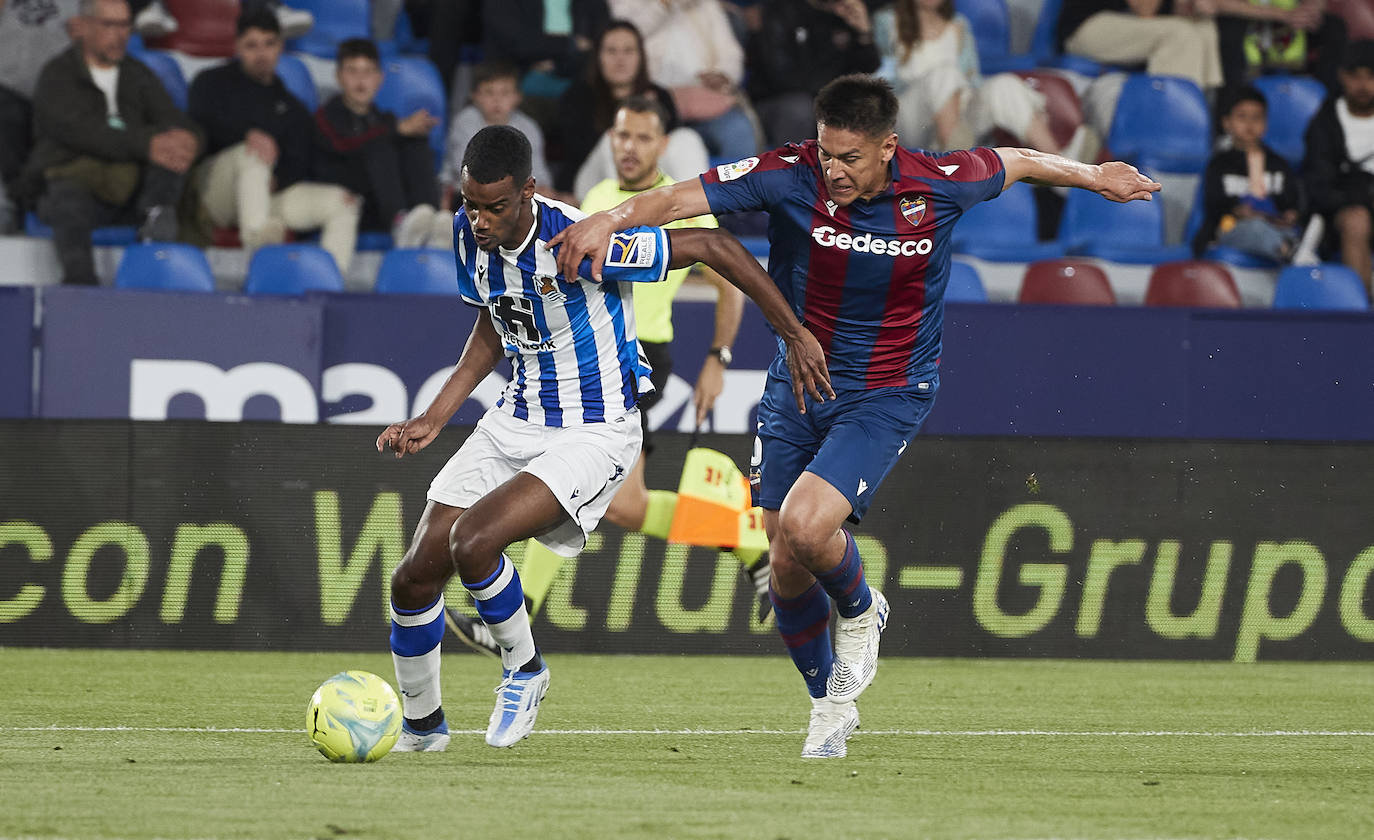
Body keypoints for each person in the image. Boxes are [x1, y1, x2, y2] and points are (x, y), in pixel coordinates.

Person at [548, 73, 1159, 758]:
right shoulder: (786, 173)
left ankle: (863, 609)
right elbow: (675, 197)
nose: (833, 171)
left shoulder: (941, 182)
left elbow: (1017, 161)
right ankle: (827, 707)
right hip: (798, 385)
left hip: (889, 391)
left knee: (809, 528)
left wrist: (1094, 175)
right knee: (783, 560)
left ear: (888, 148)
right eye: (826, 153)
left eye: (850, 158)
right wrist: (606, 218)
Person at [377, 124, 828, 752]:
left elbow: (715, 247)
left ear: (529, 192)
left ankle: (525, 669)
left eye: (494, 207)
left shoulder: (581, 240)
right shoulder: (466, 231)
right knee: (412, 579)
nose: (479, 220)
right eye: (470, 204)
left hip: (595, 429)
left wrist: (795, 334)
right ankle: (424, 729)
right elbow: (492, 318)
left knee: (475, 542)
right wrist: (435, 415)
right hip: (517, 418)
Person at [444, 96, 771, 659]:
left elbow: (727, 278)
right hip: (573, 364)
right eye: (622, 136)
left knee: (570, 487)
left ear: (662, 144)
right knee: (627, 506)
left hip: (634, 360)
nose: (629, 148)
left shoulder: (677, 203)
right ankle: (742, 537)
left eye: (643, 138)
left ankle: (515, 614)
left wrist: (718, 356)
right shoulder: (597, 201)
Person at [26, 0, 201, 285]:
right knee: (68, 199)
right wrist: (147, 144)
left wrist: (189, 140)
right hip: (75, 185)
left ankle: (157, 259)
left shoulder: (139, 75)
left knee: (171, 157)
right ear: (84, 27)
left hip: (133, 190)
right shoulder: (57, 74)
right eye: (109, 25)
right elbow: (82, 132)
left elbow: (173, 120)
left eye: (125, 25)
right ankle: (81, 289)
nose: (120, 34)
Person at [188, 8, 360, 274]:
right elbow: (200, 124)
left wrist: (276, 179)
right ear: (237, 47)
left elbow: (299, 161)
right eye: (252, 45)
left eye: (269, 44)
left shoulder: (292, 107)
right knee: (254, 152)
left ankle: (329, 283)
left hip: (266, 194)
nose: (261, 54)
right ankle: (261, 252)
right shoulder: (210, 83)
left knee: (343, 202)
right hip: (213, 193)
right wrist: (246, 135)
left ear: (280, 47)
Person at [875, 0, 1075, 155]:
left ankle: (1060, 166)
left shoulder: (959, 24)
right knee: (944, 75)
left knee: (1004, 85)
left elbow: (972, 79)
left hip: (960, 117)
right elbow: (881, 82)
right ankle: (950, 168)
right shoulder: (886, 22)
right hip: (910, 116)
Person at [313, 38, 450, 251]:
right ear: (339, 77)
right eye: (352, 71)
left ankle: (428, 220)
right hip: (350, 201)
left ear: (379, 79)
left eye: (368, 72)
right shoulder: (327, 115)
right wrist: (395, 130)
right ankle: (400, 224)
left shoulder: (384, 119)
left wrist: (403, 131)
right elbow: (347, 146)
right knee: (380, 144)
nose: (361, 80)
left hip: (380, 203)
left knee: (415, 140)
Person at [552, 19, 708, 199]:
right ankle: (627, 218)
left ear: (640, 56)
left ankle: (696, 212)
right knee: (615, 142)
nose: (620, 59)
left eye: (628, 51)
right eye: (611, 51)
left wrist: (651, 113)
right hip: (593, 186)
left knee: (687, 138)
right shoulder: (576, 97)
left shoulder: (659, 96)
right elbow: (577, 152)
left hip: (652, 182)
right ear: (598, 57)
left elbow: (668, 149)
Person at [609, 0, 757, 162]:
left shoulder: (705, 4)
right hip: (654, 101)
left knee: (738, 129)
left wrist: (724, 76)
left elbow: (731, 53)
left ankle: (741, 187)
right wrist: (664, 5)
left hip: (706, 99)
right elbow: (624, 35)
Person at [746, 0, 881, 147]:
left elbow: (869, 66)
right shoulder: (781, 10)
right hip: (777, 100)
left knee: (874, 105)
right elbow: (780, 76)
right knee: (799, 110)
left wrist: (863, 31)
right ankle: (790, 166)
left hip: (827, 97)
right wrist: (832, 97)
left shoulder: (844, 13)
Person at [1192, 85, 1302, 261]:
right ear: (1226, 123)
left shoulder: (1278, 164)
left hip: (1275, 226)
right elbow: (1213, 203)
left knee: (1285, 229)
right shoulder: (1219, 164)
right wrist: (1236, 210)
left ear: (1266, 123)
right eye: (1242, 117)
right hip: (1232, 228)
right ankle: (1292, 253)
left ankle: (1292, 247)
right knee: (1255, 228)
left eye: (1257, 118)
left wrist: (1290, 213)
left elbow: (1290, 200)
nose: (1250, 124)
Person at [0, 0, 83, 233]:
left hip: (63, 87)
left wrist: (91, 28)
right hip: (7, 83)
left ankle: (39, 207)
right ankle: (15, 210)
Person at [1303, 39, 1374, 298]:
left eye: (1371, 77)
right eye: (1356, 77)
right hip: (1339, 214)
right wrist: (1360, 200)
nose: (1363, 86)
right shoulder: (1325, 122)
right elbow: (1318, 187)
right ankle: (1364, 312)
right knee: (1357, 220)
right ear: (1342, 76)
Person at [440, 61, 555, 211]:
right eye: (488, 92)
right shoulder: (465, 122)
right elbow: (464, 170)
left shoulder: (528, 127)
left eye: (505, 93)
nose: (497, 100)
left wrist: (542, 189)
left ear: (517, 97)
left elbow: (538, 172)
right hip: (467, 194)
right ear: (474, 96)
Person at [1056, 0, 1225, 92]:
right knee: (1179, 32)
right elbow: (1145, 9)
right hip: (1085, 27)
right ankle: (1166, 113)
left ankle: (1197, 108)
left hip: (1128, 24)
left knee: (1204, 27)